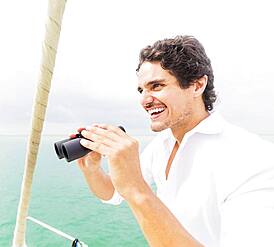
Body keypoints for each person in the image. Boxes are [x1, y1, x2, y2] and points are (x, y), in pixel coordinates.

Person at [73, 35, 274, 246]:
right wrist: (92, 168)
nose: (144, 100)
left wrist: (136, 188)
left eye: (157, 86)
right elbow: (113, 194)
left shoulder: (256, 160)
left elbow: (132, 188)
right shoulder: (163, 144)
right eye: (142, 90)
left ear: (197, 85)